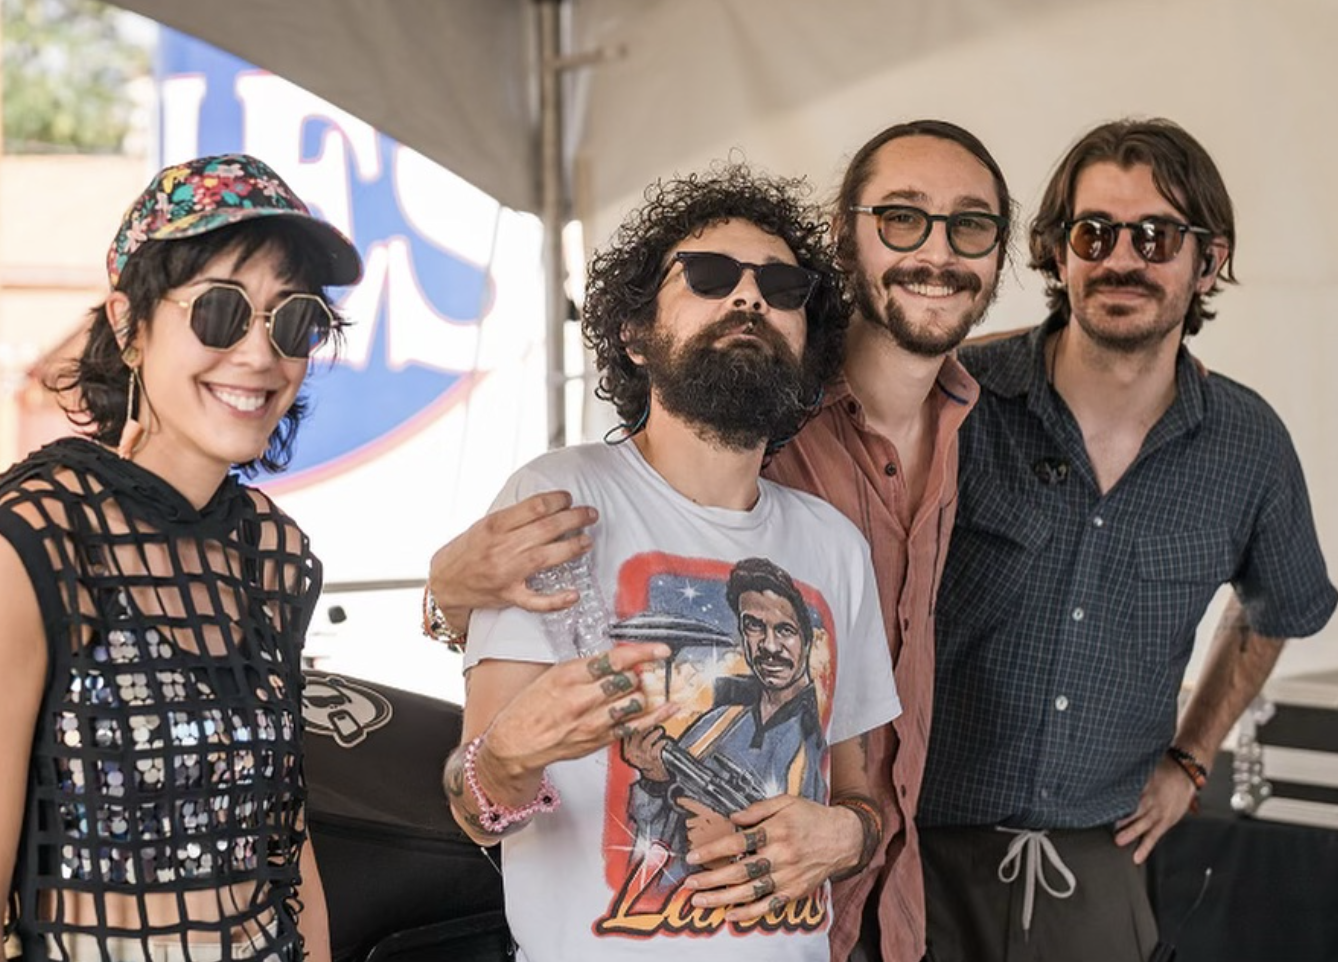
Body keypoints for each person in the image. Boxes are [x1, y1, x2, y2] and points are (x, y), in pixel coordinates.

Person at [426, 119, 1012, 962]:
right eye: (708, 276)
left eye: (780, 285)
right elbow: (476, 808)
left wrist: (847, 835)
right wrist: (510, 756)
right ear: (635, 334)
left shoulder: (832, 544)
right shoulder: (560, 499)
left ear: (808, 341)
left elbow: (860, 796)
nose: (749, 298)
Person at [918, 117, 1337, 962]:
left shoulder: (1248, 444)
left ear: (1208, 261)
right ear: (1056, 253)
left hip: (1099, 865)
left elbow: (1278, 608)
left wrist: (1192, 759)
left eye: (1156, 237)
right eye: (1094, 232)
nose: (1123, 259)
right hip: (915, 851)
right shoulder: (953, 401)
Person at [0, 154, 362, 962]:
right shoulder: (37, 539)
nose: (260, 354)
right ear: (129, 324)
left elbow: (283, 843)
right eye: (220, 311)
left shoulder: (272, 553)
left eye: (293, 320)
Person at [623, 557, 830, 889]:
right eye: (754, 626)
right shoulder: (718, 721)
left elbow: (814, 853)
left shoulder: (809, 742)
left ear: (806, 640)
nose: (769, 646)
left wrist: (735, 843)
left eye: (785, 630)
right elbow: (647, 846)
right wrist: (654, 781)